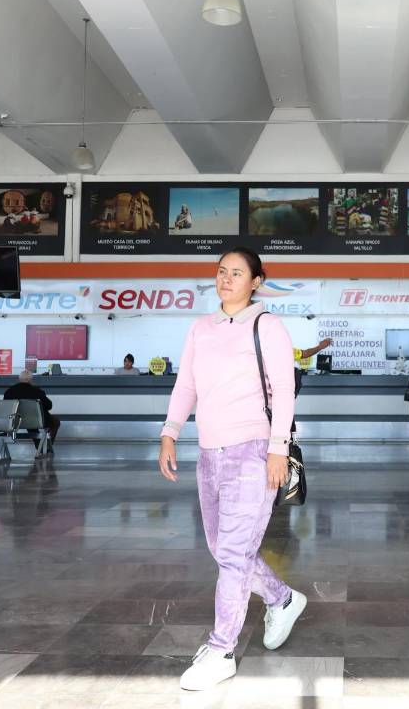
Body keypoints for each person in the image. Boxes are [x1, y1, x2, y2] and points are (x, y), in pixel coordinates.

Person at [158, 247, 305, 692]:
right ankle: (282, 599)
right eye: (221, 271)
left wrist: (277, 450)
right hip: (209, 453)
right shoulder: (201, 328)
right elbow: (187, 383)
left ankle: (221, 650)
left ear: (256, 281)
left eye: (237, 273)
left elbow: (283, 389)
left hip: (253, 452)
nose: (226, 279)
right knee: (225, 550)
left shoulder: (267, 325)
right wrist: (170, 431)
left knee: (234, 555)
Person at [4, 371, 61, 446]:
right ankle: (47, 446)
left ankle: (40, 446)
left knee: (31, 424)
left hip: (15, 422)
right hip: (35, 420)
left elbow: (6, 407)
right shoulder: (36, 391)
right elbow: (49, 406)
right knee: (55, 422)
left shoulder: (9, 392)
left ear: (19, 379)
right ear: (30, 380)